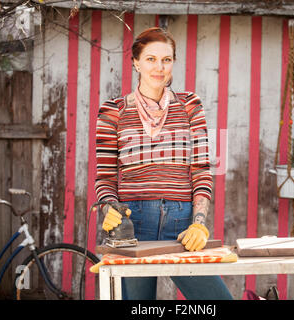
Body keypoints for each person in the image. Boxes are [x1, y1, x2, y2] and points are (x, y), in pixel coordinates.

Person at [95, 27, 233, 300]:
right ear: (136, 62)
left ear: (173, 62)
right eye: (150, 59)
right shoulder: (113, 112)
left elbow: (201, 169)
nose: (159, 67)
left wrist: (199, 223)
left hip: (182, 225)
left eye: (166, 59)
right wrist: (109, 208)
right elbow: (105, 179)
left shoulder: (190, 105)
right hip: (133, 224)